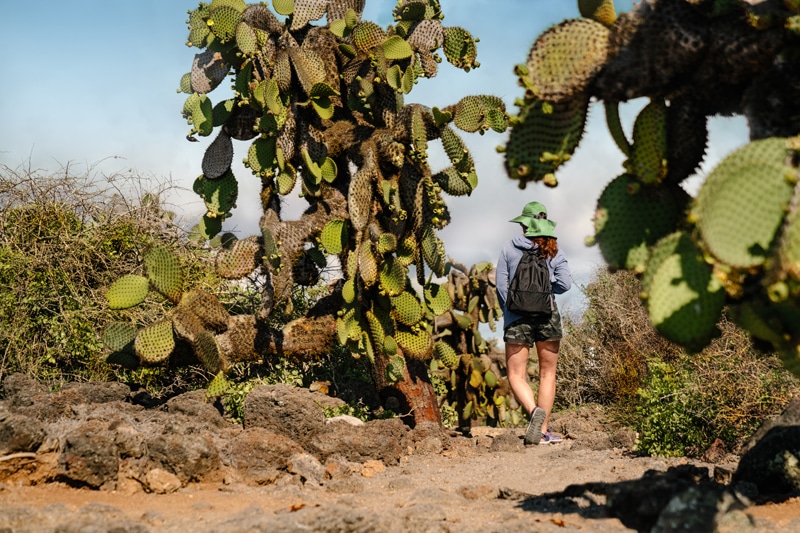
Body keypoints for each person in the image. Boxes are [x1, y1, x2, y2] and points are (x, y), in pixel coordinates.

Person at [496, 201, 573, 445]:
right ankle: (544, 431)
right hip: (548, 316)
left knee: (516, 374)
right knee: (547, 373)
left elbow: (500, 285)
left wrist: (512, 309)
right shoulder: (554, 250)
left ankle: (533, 412)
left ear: (523, 225)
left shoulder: (509, 247)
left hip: (516, 316)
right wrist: (545, 293)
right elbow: (566, 283)